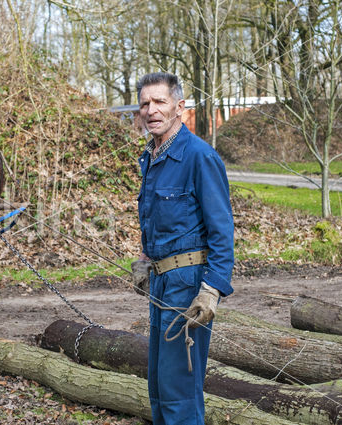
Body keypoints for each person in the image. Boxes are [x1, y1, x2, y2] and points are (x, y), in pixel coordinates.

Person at [131, 72, 234, 424]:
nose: (151, 110)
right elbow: (158, 219)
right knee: (159, 387)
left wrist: (211, 290)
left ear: (179, 107)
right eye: (145, 103)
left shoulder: (198, 157)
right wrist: (145, 260)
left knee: (179, 392)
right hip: (162, 282)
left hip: (188, 286)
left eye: (159, 102)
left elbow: (222, 230)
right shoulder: (153, 156)